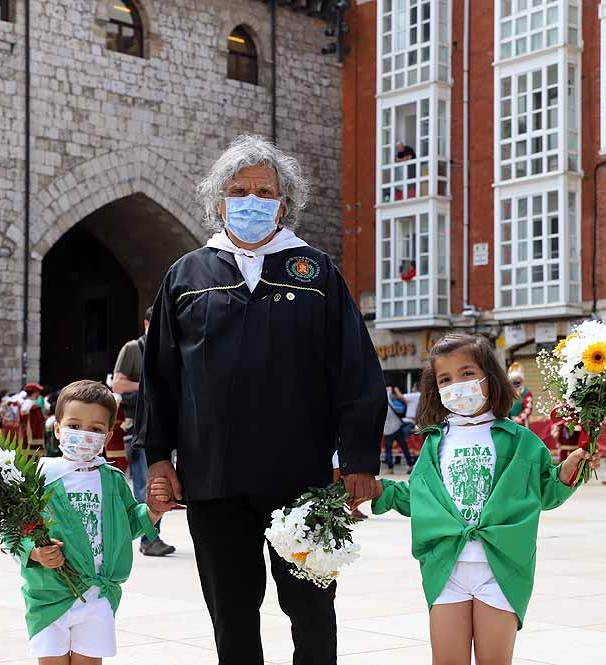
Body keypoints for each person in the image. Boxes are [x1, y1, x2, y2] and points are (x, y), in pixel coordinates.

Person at [139, 135, 386, 665]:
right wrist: (159, 459)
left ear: (283, 201)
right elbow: (159, 377)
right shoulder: (187, 275)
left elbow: (355, 370)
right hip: (214, 482)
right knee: (231, 615)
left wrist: (360, 460)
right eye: (238, 189)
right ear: (219, 200)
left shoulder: (316, 271)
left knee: (313, 609)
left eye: (264, 190)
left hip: (303, 481)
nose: (252, 200)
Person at [372, 333, 588, 664]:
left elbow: (544, 493)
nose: (456, 385)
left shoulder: (521, 441)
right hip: (447, 567)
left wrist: (568, 472)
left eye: (467, 373)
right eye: (446, 379)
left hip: (499, 569)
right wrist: (379, 492)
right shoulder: (434, 443)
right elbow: (419, 498)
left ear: (490, 376)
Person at [18, 380, 168, 664]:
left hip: (97, 593)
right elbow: (13, 532)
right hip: (48, 593)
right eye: (74, 426)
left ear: (108, 435)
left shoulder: (111, 479)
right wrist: (35, 552)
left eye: (96, 430)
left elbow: (128, 524)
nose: (84, 435)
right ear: (58, 428)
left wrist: (153, 510)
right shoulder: (38, 477)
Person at [113, 305, 176, 557]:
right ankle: (149, 539)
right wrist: (147, 385)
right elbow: (117, 384)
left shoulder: (167, 349)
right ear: (147, 324)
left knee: (162, 484)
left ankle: (152, 536)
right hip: (136, 425)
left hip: (162, 424)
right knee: (144, 485)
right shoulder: (133, 349)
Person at [383, 385, 415, 473]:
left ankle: (390, 469)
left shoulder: (376, 405)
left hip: (388, 430)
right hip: (397, 427)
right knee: (404, 447)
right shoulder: (387, 398)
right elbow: (389, 388)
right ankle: (410, 465)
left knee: (388, 450)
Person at [507, 363, 533, 428]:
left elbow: (528, 409)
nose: (515, 384)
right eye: (513, 381)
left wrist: (518, 419)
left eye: (517, 381)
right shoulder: (508, 392)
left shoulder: (526, 392)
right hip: (509, 421)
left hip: (522, 423)